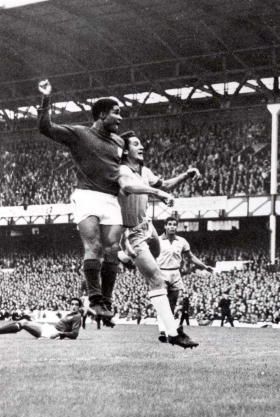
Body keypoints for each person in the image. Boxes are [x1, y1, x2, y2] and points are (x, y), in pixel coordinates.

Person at [37, 79, 123, 320]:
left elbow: (125, 169)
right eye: (116, 113)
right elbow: (46, 128)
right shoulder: (79, 134)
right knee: (94, 245)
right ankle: (95, 299)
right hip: (87, 196)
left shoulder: (119, 142)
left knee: (113, 250)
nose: (120, 118)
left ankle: (106, 300)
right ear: (102, 114)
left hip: (111, 199)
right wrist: (46, 99)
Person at [118, 130, 199, 348]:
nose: (142, 146)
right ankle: (172, 332)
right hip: (130, 231)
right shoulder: (121, 170)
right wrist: (158, 194)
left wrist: (186, 175)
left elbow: (165, 185)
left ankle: (125, 258)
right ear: (125, 150)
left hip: (148, 227)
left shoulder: (144, 170)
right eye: (136, 144)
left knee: (164, 273)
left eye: (142, 142)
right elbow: (128, 187)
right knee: (156, 278)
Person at [156, 217, 214, 339]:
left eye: (174, 225)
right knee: (162, 303)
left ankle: (168, 330)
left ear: (177, 227)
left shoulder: (182, 241)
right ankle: (161, 330)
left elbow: (191, 257)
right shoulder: (158, 240)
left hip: (175, 274)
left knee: (172, 304)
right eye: (169, 224)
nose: (172, 227)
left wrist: (203, 266)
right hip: (161, 273)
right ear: (165, 226)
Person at [0, 298, 83, 340]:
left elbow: (75, 334)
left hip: (52, 332)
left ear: (79, 307)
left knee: (24, 323)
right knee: (23, 322)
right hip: (50, 329)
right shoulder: (70, 314)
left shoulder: (77, 316)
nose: (74, 306)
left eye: (76, 304)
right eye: (72, 304)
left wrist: (60, 334)